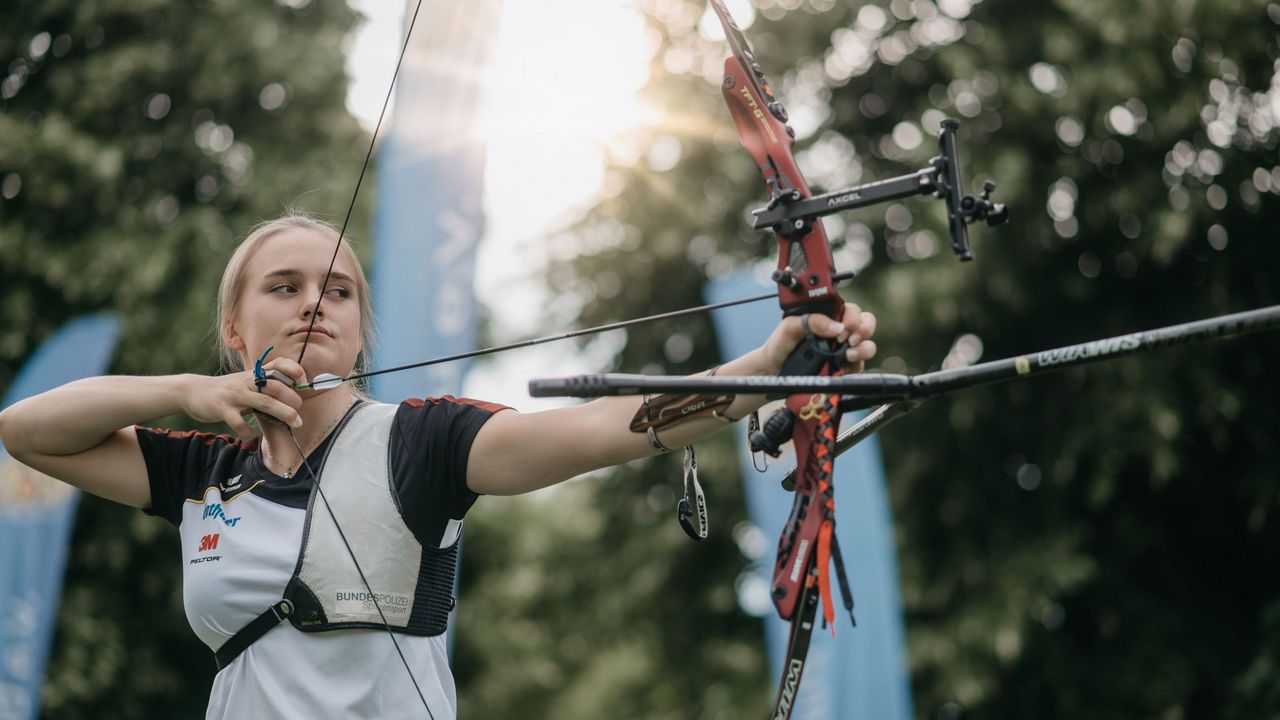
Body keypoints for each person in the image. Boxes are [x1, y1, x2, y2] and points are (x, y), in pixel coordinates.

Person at [0, 214, 878, 719]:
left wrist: (759, 372)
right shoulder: (202, 472)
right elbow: (27, 431)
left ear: (359, 325)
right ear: (237, 330)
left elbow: (606, 427)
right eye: (285, 285)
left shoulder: (420, 443)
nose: (315, 302)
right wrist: (189, 389)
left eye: (337, 290)